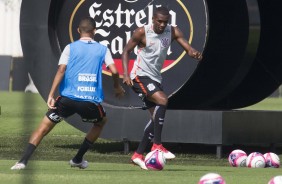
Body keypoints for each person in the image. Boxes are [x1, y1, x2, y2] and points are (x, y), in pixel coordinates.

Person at [11, 17, 125, 170]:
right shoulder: (102, 49)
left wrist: (51, 94)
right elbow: (115, 71)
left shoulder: (70, 47)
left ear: (78, 30)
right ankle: (78, 159)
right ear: (95, 31)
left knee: (42, 128)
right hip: (89, 103)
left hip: (66, 101)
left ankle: (22, 162)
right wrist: (117, 87)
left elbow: (61, 70)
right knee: (100, 122)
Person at [122, 7, 202, 170]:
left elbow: (187, 47)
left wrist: (192, 51)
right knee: (163, 100)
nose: (162, 24)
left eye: (165, 22)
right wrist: (125, 74)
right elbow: (126, 51)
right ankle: (157, 145)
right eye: (159, 21)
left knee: (155, 118)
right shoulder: (141, 32)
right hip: (139, 76)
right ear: (153, 19)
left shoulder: (172, 31)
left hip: (155, 78)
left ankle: (137, 155)